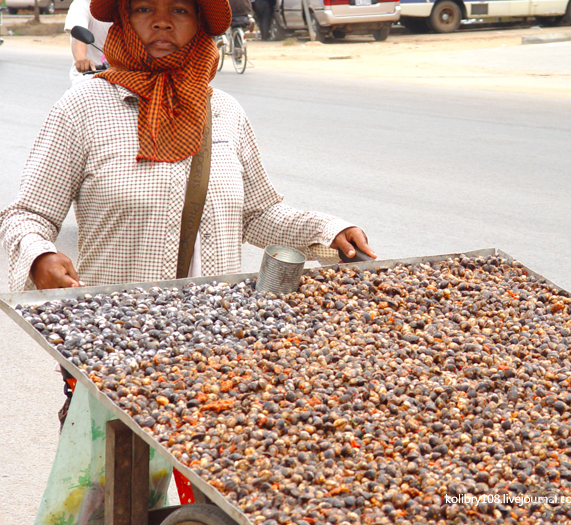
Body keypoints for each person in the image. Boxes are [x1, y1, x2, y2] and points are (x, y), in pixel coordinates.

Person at [0, 0, 375, 520]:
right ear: (123, 22)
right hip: (117, 352)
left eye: (179, 8)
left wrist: (328, 229)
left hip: (216, 349)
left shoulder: (224, 112)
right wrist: (41, 255)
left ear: (199, 23)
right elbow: (25, 215)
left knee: (220, 499)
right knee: (105, 502)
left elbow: (260, 212)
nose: (161, 22)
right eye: (144, 8)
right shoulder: (83, 109)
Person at [64, 0, 113, 85]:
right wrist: (81, 59)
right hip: (91, 76)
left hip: (123, 74)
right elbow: (78, 37)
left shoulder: (125, 6)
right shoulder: (82, 4)